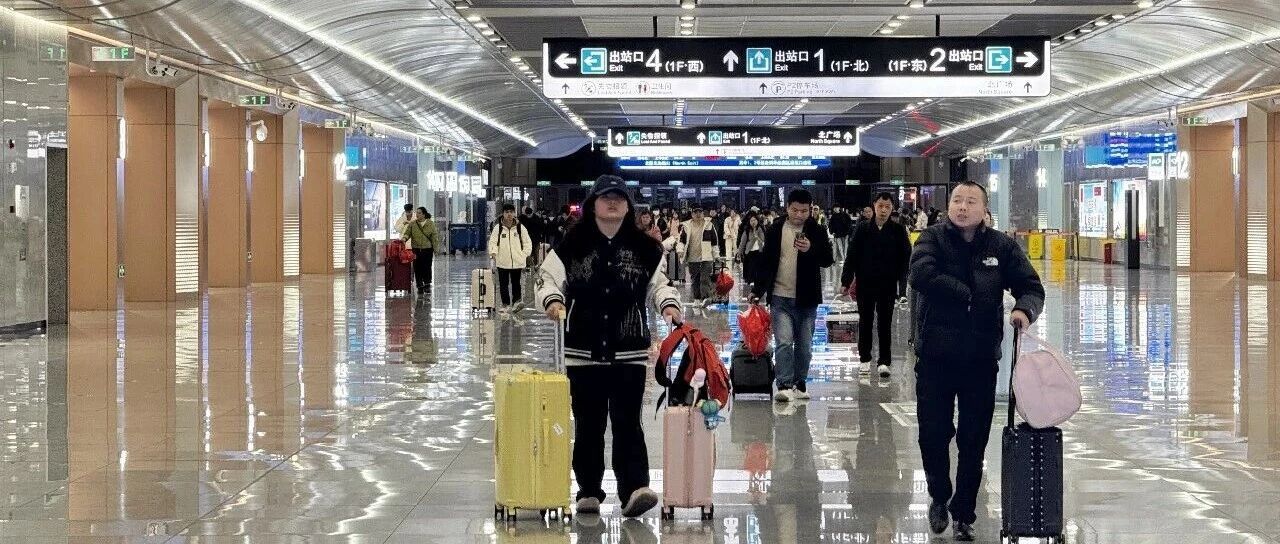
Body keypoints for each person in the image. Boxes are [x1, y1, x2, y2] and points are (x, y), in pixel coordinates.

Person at [537, 174, 682, 519]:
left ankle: (634, 488)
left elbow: (659, 285)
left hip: (628, 350)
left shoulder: (646, 249)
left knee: (628, 421)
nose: (612, 203)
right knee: (588, 423)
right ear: (593, 205)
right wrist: (553, 300)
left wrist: (668, 305)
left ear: (628, 206)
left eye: (619, 197)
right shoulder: (572, 244)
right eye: (605, 197)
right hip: (582, 350)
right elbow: (547, 279)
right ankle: (588, 490)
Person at [909, 181, 1045, 541]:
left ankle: (964, 513)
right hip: (935, 357)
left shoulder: (1000, 246)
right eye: (957, 200)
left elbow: (1031, 287)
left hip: (980, 358)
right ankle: (939, 494)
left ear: (985, 210)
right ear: (948, 206)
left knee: (973, 439)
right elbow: (920, 274)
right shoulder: (932, 238)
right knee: (933, 433)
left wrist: (1023, 310)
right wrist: (965, 294)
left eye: (971, 201)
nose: (962, 207)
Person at [749, 189, 834, 403]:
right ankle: (784, 384)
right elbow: (766, 262)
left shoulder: (817, 230)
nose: (799, 215)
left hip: (807, 299)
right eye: (795, 210)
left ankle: (800, 382)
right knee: (784, 342)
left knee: (804, 346)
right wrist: (757, 290)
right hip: (780, 296)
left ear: (810, 210)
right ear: (787, 208)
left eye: (804, 211)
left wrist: (811, 249)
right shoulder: (775, 229)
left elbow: (827, 259)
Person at [841, 192, 911, 378]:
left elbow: (905, 258)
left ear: (892, 208)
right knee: (865, 321)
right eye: (880, 206)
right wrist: (846, 280)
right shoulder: (862, 228)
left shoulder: (898, 230)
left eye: (887, 207)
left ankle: (884, 361)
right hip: (865, 283)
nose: (883, 210)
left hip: (888, 285)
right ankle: (864, 358)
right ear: (874, 206)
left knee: (885, 323)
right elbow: (852, 255)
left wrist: (902, 283)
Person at [488, 204, 533, 314]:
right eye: (507, 212)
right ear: (503, 213)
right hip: (502, 261)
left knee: (516, 283)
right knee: (503, 284)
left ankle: (516, 302)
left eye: (511, 212)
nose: (509, 214)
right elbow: (493, 242)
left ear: (514, 213)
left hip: (517, 261)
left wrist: (524, 255)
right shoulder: (498, 228)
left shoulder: (520, 228)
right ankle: (505, 304)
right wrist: (493, 254)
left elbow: (527, 242)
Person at [681, 207, 719, 305]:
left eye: (700, 212)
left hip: (706, 256)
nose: (698, 214)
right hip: (692, 257)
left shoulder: (709, 225)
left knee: (705, 278)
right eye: (695, 212)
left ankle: (706, 298)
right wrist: (680, 250)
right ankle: (697, 298)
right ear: (692, 214)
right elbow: (682, 241)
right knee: (695, 279)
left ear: (703, 214)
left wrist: (716, 255)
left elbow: (714, 242)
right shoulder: (686, 226)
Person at [403, 207, 440, 293]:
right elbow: (407, 233)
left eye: (419, 213)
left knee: (427, 267)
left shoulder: (430, 224)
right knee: (417, 267)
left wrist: (436, 249)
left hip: (427, 249)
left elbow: (434, 237)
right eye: (416, 213)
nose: (417, 214)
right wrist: (404, 239)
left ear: (424, 214)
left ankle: (427, 284)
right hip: (416, 249)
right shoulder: (413, 224)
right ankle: (419, 284)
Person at [736, 212, 766, 285]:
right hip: (750, 252)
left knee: (758, 268)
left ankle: (758, 282)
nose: (753, 222)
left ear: (757, 220)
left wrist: (757, 237)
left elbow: (764, 240)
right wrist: (739, 253)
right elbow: (742, 242)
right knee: (751, 268)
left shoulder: (761, 228)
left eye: (754, 220)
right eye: (751, 220)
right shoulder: (747, 230)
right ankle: (751, 282)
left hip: (759, 251)